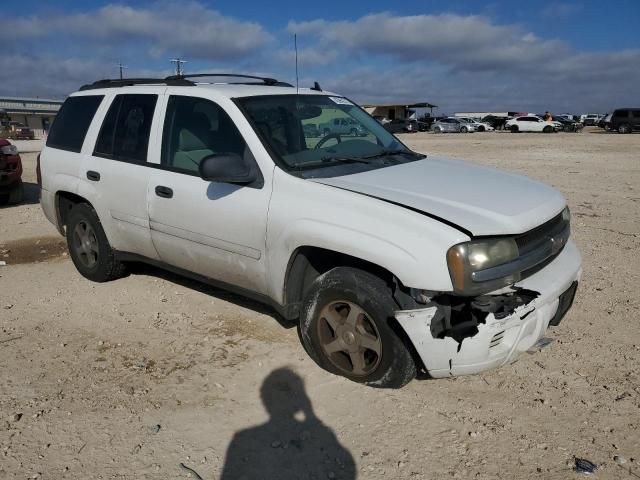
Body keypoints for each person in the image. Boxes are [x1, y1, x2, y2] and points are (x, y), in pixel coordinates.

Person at [220, 368, 356, 480]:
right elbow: (348, 469)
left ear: (264, 401)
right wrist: (311, 416)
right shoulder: (323, 433)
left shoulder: (242, 439)